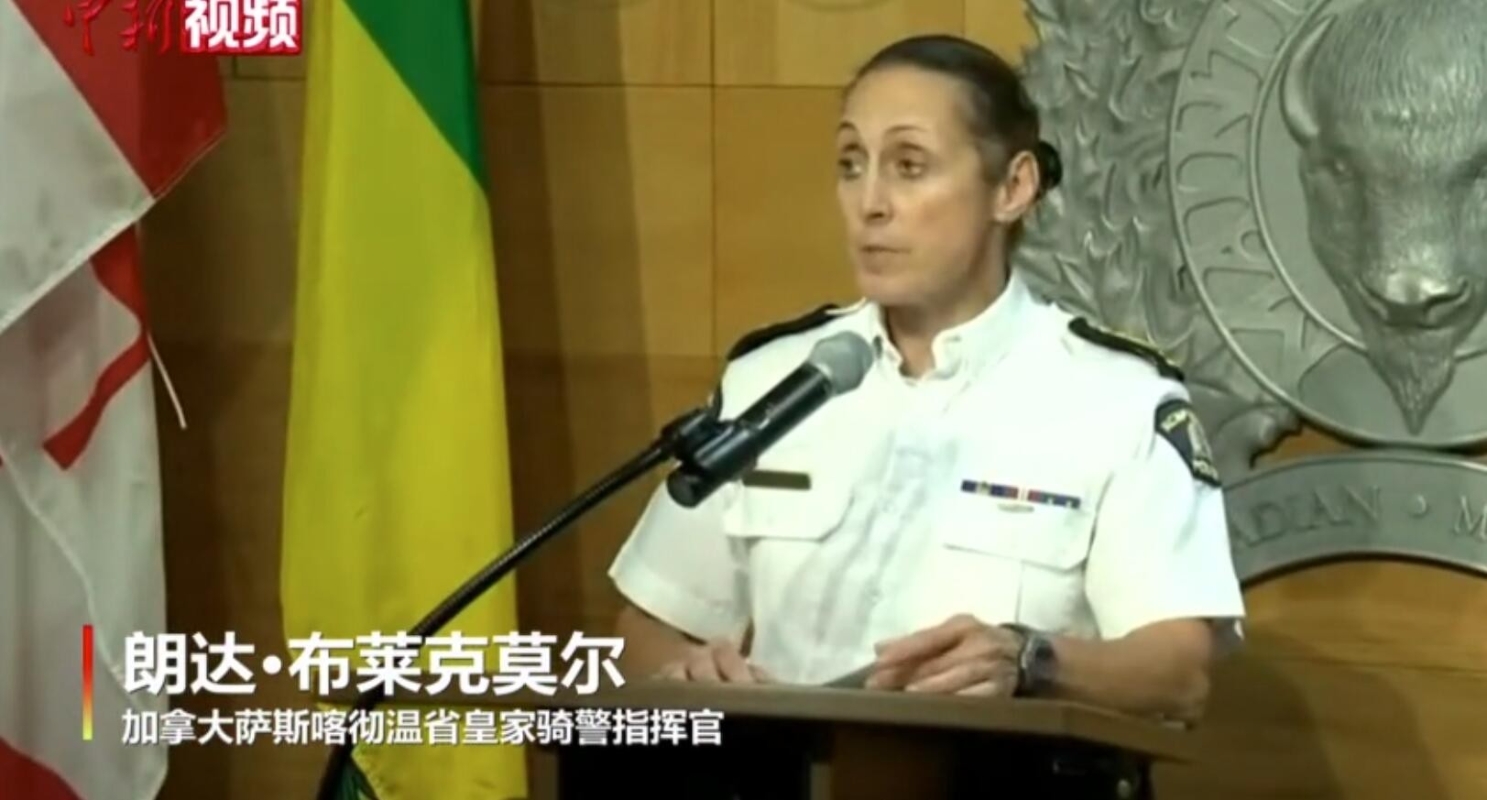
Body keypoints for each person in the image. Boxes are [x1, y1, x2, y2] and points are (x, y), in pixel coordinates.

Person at [604, 33, 1244, 723]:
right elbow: (646, 625)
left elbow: (1179, 674)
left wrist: (1027, 660)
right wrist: (684, 672)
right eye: (851, 164)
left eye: (909, 166)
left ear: (1013, 187)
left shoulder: (1117, 401)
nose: (870, 202)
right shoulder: (771, 381)